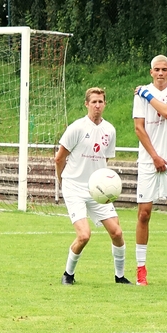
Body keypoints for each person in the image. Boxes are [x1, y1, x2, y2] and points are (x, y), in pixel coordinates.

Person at [54, 87, 131, 285]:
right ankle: (68, 275)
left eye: (100, 102)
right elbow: (59, 158)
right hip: (74, 187)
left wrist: (103, 183)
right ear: (86, 104)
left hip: (97, 190)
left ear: (105, 104)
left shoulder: (110, 130)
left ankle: (120, 277)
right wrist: (62, 182)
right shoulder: (77, 128)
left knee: (117, 232)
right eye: (94, 102)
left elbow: (105, 159)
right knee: (84, 235)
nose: (97, 105)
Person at [132, 55, 167, 287]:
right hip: (149, 162)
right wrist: (154, 156)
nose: (160, 73)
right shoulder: (140, 95)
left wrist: (147, 95)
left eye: (164, 69)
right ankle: (141, 269)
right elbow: (139, 128)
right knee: (144, 214)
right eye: (156, 69)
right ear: (151, 72)